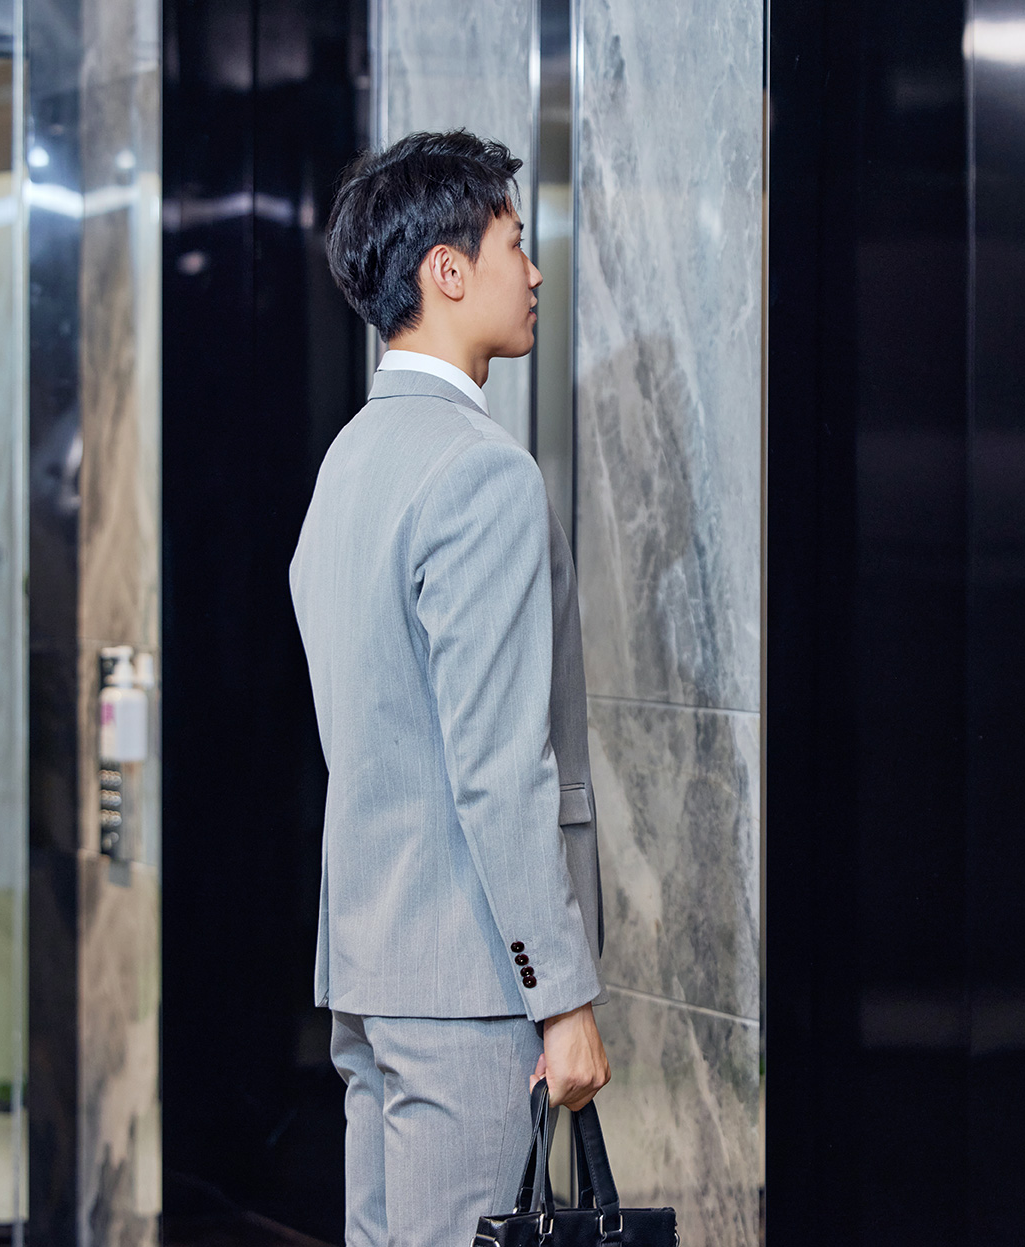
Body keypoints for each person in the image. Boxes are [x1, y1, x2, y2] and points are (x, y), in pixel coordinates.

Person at [290, 129, 611, 1245]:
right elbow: (496, 768)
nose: (534, 271)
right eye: (514, 244)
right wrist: (561, 995)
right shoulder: (480, 474)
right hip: (470, 984)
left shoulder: (349, 461)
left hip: (371, 971)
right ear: (447, 270)